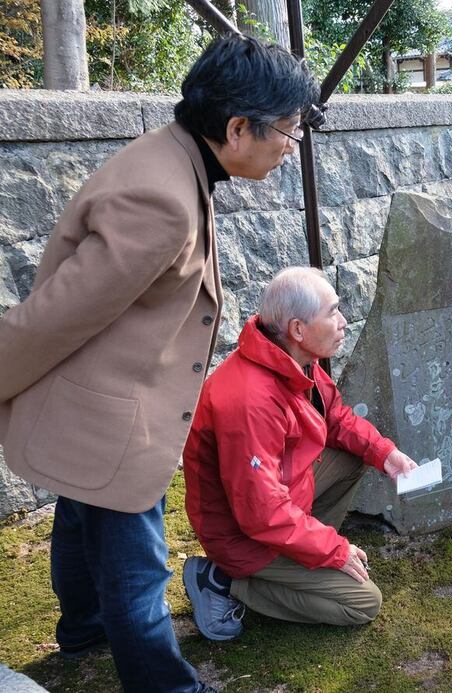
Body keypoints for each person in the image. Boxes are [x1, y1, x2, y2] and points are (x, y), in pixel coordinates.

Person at [0, 36, 320, 692]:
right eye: (288, 131)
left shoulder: (170, 160)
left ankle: (83, 628)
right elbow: (52, 315)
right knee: (140, 573)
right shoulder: (164, 200)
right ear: (238, 128)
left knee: (79, 520)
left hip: (93, 406)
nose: (291, 149)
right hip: (114, 421)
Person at [182, 267, 419, 640]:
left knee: (353, 457)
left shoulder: (293, 359)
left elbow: (335, 418)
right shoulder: (251, 400)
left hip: (274, 501)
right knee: (362, 603)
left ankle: (302, 555)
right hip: (242, 535)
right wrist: (334, 550)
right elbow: (261, 514)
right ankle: (222, 581)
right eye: (332, 312)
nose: (343, 322)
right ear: (297, 329)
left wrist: (385, 453)